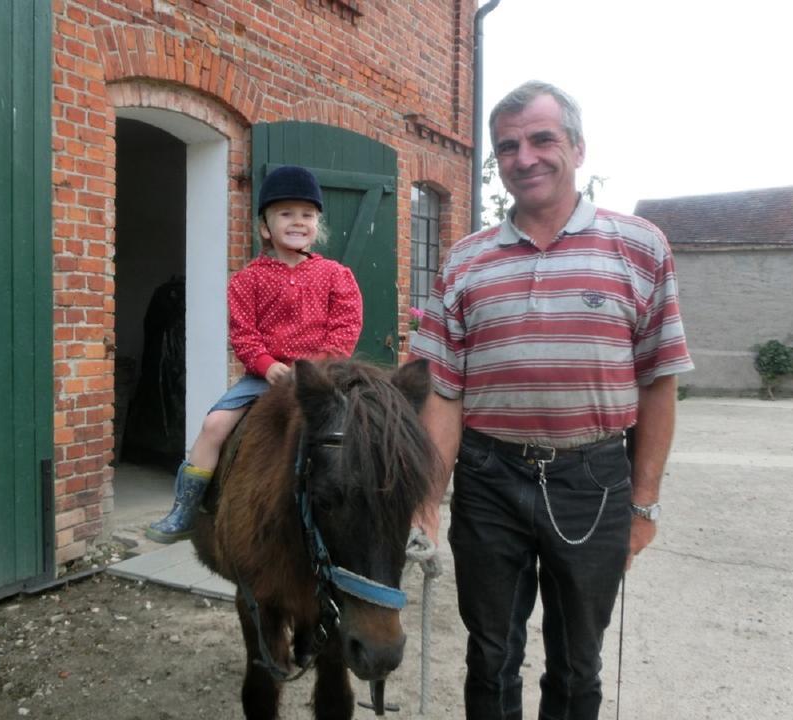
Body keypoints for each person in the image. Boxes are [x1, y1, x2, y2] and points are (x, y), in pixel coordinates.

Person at [410, 81, 693, 720]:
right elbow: (444, 392)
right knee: (489, 653)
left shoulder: (640, 247)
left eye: (542, 139)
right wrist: (427, 498)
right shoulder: (463, 262)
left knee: (577, 659)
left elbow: (659, 380)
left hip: (592, 480)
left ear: (577, 148)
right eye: (508, 146)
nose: (525, 156)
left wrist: (644, 501)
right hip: (487, 477)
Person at [146, 165, 364, 543]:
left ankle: (371, 506)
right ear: (265, 226)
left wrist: (320, 366)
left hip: (324, 376)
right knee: (214, 425)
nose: (298, 221)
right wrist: (269, 367)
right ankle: (186, 508)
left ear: (318, 224)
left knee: (359, 428)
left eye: (307, 215)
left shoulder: (336, 275)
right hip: (264, 377)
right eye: (286, 213)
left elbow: (345, 326)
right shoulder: (247, 280)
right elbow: (244, 336)